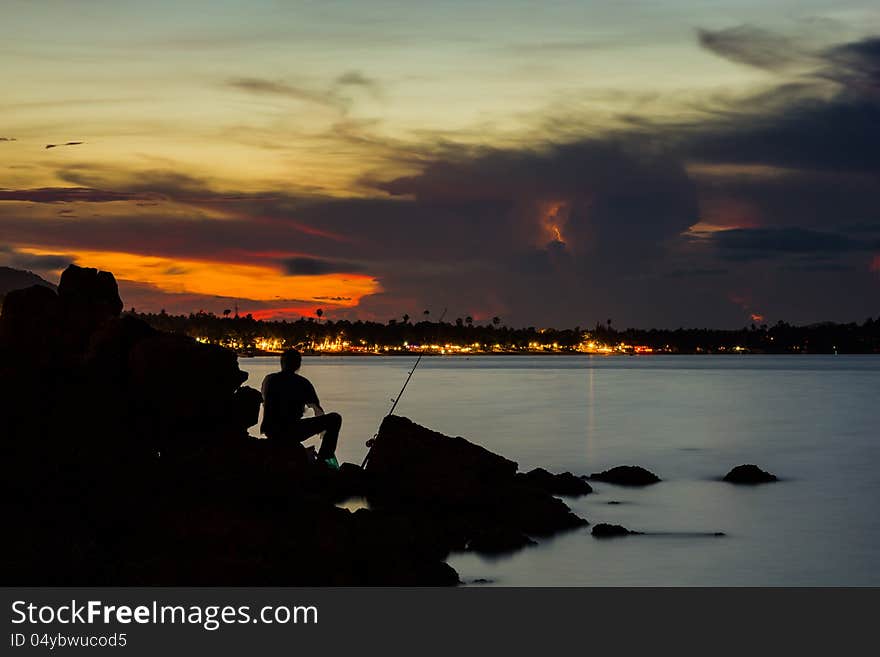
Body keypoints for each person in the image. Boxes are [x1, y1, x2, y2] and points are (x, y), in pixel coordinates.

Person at [260, 349, 341, 469]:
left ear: (282, 363)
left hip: (270, 430)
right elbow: (317, 410)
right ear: (298, 364)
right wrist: (323, 431)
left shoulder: (269, 380)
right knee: (335, 418)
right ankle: (324, 458)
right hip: (291, 430)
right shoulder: (302, 383)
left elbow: (265, 401)